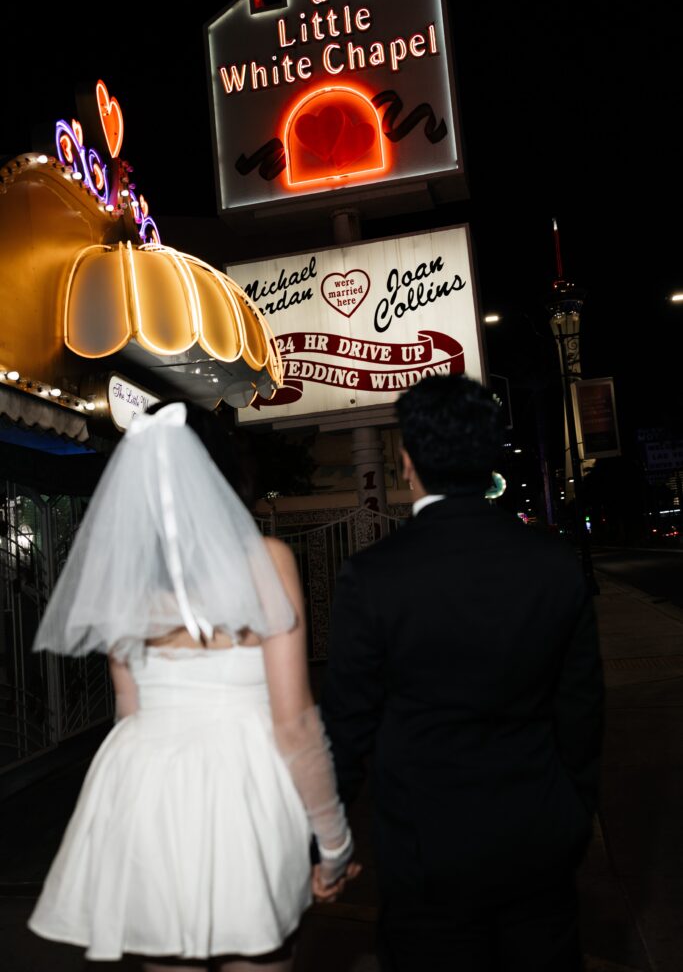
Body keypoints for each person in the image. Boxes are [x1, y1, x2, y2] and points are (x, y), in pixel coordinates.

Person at [28, 400, 358, 971]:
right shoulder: (266, 560)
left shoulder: (123, 583)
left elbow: (129, 712)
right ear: (224, 471)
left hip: (150, 791)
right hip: (243, 789)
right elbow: (295, 722)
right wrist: (334, 846)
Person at [322, 374, 604, 972]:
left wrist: (327, 842)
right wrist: (574, 814)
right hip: (539, 837)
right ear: (489, 459)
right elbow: (581, 710)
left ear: (407, 460)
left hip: (425, 848)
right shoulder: (553, 566)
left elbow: (346, 729)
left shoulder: (372, 577)